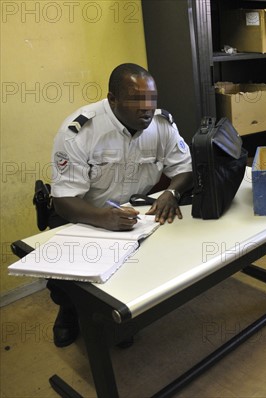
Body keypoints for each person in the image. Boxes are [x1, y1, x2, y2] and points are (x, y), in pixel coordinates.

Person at [49, 63, 193, 347]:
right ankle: (68, 310)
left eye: (151, 99)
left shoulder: (162, 125)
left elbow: (184, 168)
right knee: (68, 284)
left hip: (135, 215)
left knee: (150, 265)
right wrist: (102, 218)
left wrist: (172, 193)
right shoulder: (79, 132)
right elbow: (63, 201)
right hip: (85, 217)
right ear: (112, 100)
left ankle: (121, 314)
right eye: (136, 100)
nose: (147, 109)